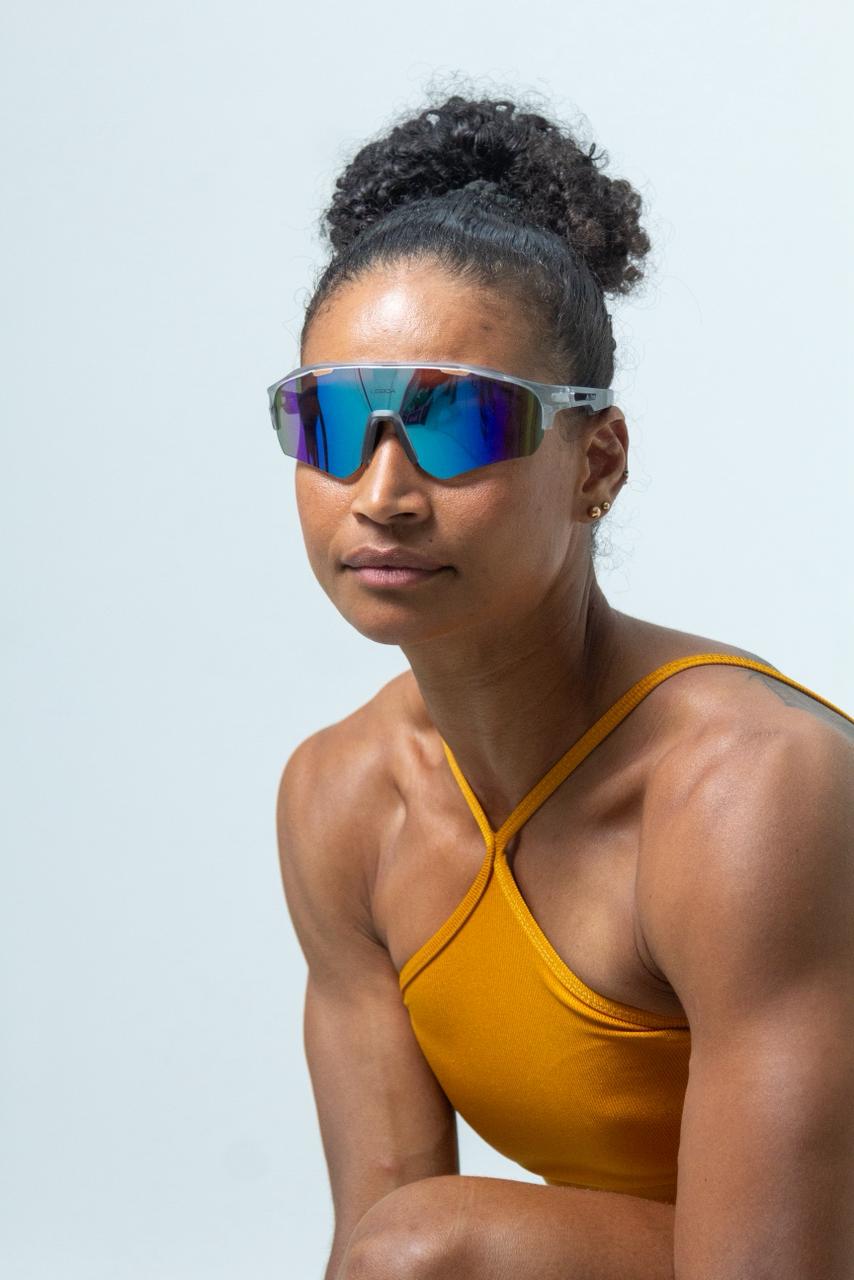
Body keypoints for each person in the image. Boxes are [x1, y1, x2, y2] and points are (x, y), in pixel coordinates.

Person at [271, 90, 854, 1280]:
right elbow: (367, 1243)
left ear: (596, 461)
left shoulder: (747, 790)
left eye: (457, 423)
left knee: (430, 1249)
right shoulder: (343, 801)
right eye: (328, 421)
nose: (380, 493)